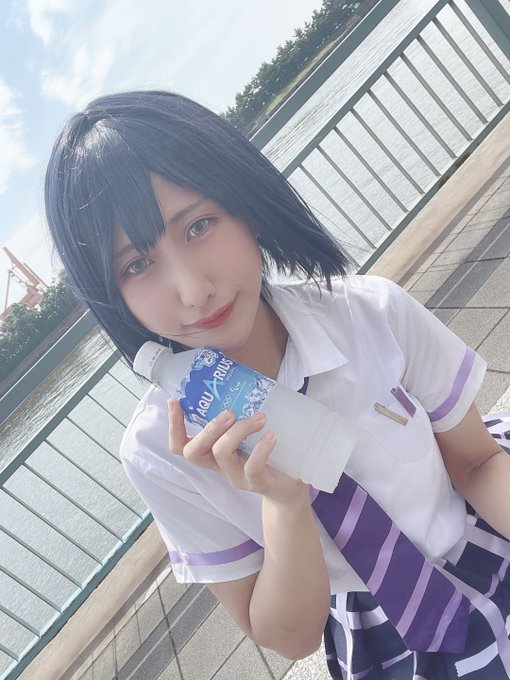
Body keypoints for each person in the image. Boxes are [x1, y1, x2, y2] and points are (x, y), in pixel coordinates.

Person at [45, 90, 510, 679]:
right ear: (111, 295)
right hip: (383, 632)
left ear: (246, 206)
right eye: (137, 265)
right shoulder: (159, 451)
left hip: (480, 530)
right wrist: (283, 503)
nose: (194, 291)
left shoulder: (370, 315)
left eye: (199, 226)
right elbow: (290, 637)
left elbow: (476, 464)